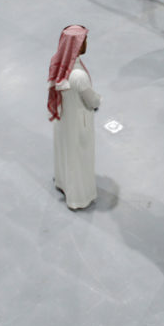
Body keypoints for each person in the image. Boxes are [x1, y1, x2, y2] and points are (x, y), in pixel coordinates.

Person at [47, 25, 102, 210]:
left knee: (65, 152)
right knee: (79, 159)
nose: (86, 43)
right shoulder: (78, 75)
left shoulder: (58, 63)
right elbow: (92, 100)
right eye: (84, 40)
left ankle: (63, 183)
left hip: (63, 119)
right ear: (77, 45)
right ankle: (79, 197)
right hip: (79, 123)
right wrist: (99, 100)